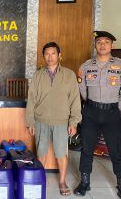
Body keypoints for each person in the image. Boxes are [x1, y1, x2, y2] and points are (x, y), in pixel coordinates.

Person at [74, 31, 121, 199]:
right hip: (91, 112)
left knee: (116, 150)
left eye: (106, 42)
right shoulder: (85, 66)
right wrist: (91, 104)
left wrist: (117, 106)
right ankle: (84, 182)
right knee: (86, 149)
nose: (102, 45)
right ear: (95, 45)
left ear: (112, 45)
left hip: (111, 114)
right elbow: (82, 89)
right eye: (99, 42)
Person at [26, 42, 81, 196]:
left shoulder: (69, 75)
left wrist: (73, 122)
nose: (50, 57)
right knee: (41, 153)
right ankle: (40, 180)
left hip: (61, 122)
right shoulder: (37, 75)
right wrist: (30, 121)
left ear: (59, 55)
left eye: (53, 53)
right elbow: (31, 100)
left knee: (61, 154)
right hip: (41, 120)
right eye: (47, 54)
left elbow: (75, 100)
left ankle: (62, 181)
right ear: (43, 56)